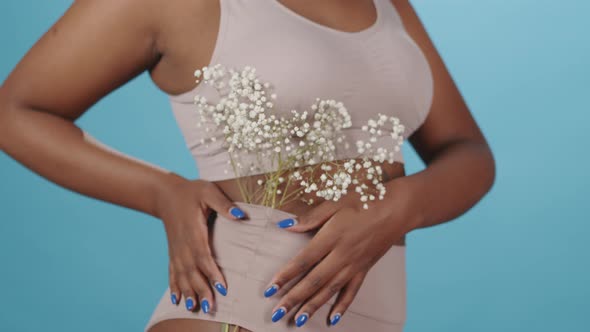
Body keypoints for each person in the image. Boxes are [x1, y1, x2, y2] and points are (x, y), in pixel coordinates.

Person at [0, 0, 495, 331]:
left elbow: (468, 152)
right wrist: (160, 191)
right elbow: (15, 112)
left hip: (375, 311)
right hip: (243, 302)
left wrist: (398, 206)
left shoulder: (387, 5)